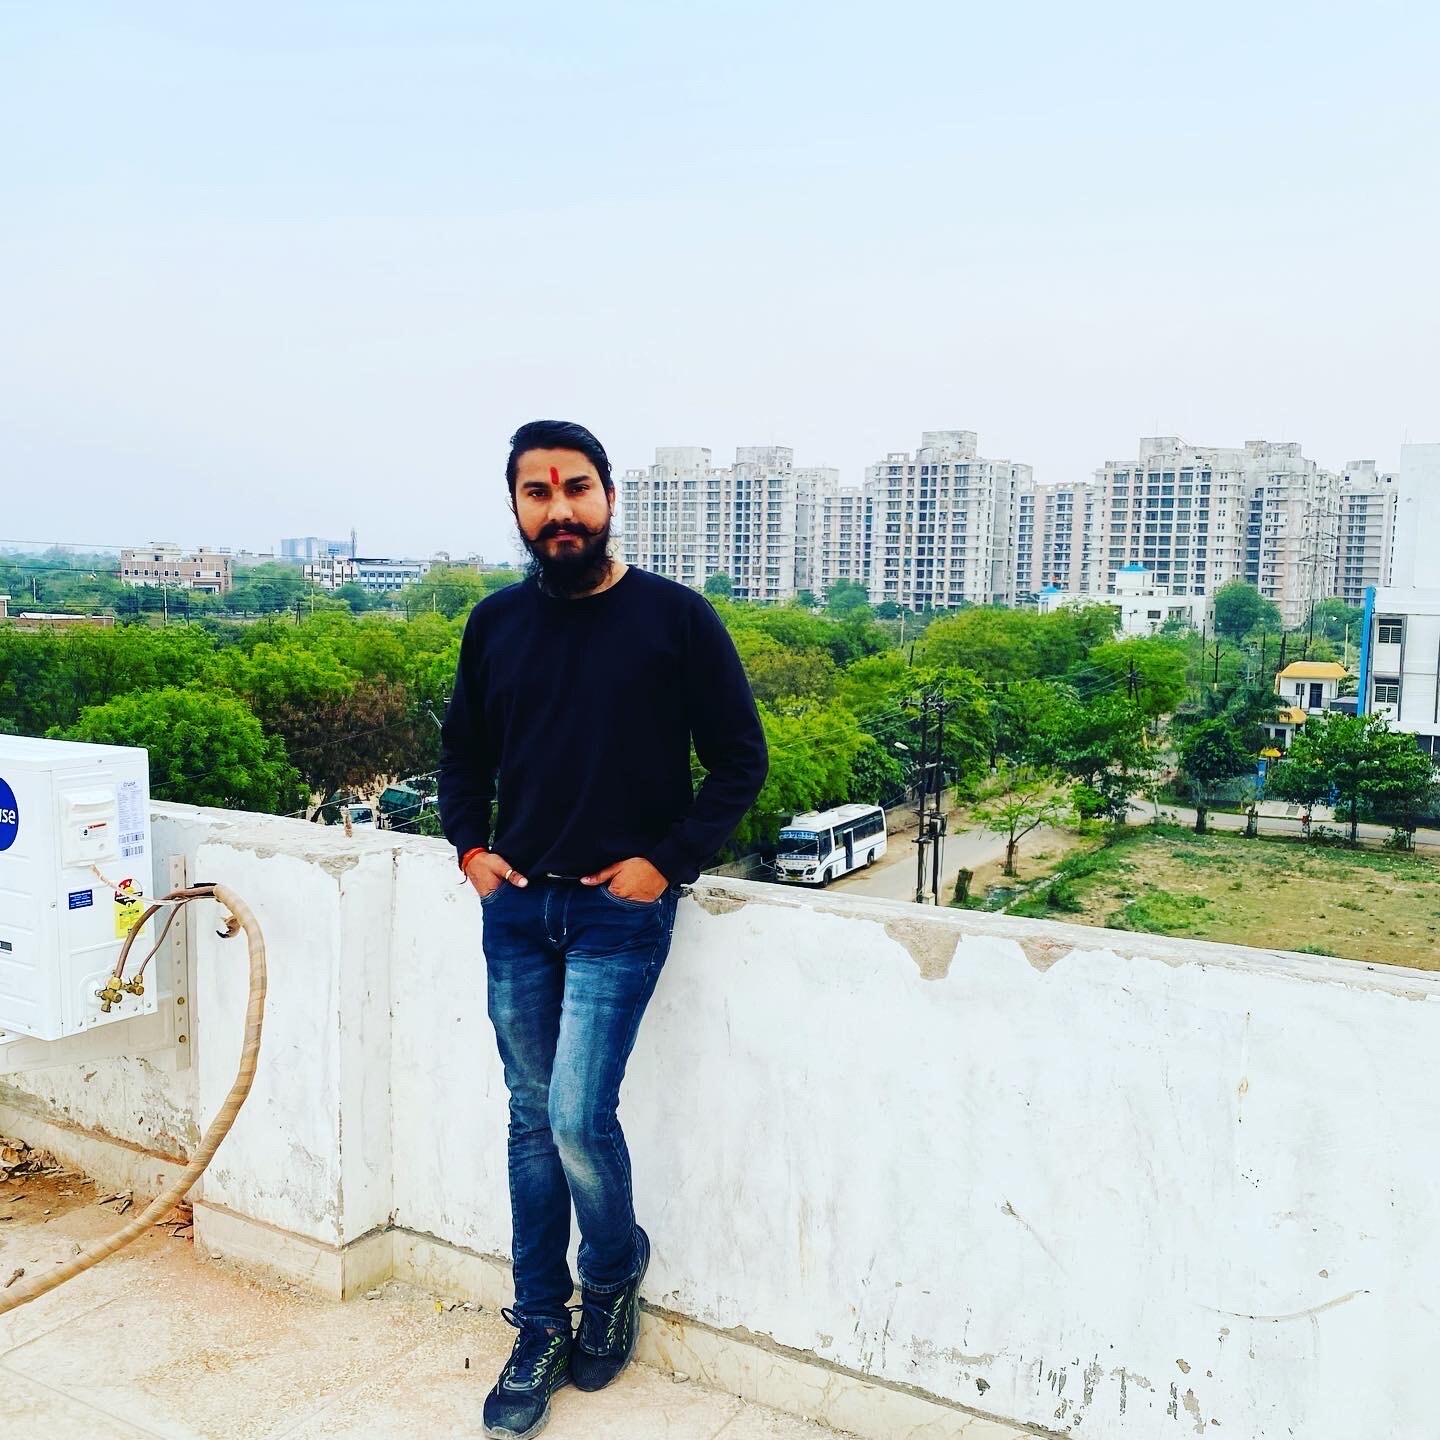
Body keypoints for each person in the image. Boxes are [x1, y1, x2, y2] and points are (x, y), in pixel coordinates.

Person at [439, 419, 768, 1440]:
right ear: (516, 507)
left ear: (609, 497)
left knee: (578, 1116)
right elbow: (462, 756)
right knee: (528, 1120)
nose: (559, 509)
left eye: (575, 488)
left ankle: (614, 1274)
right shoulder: (495, 624)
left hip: (617, 913)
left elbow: (740, 761)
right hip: (517, 909)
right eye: (537, 493)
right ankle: (539, 1324)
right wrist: (469, 847)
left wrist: (666, 863)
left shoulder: (675, 618)